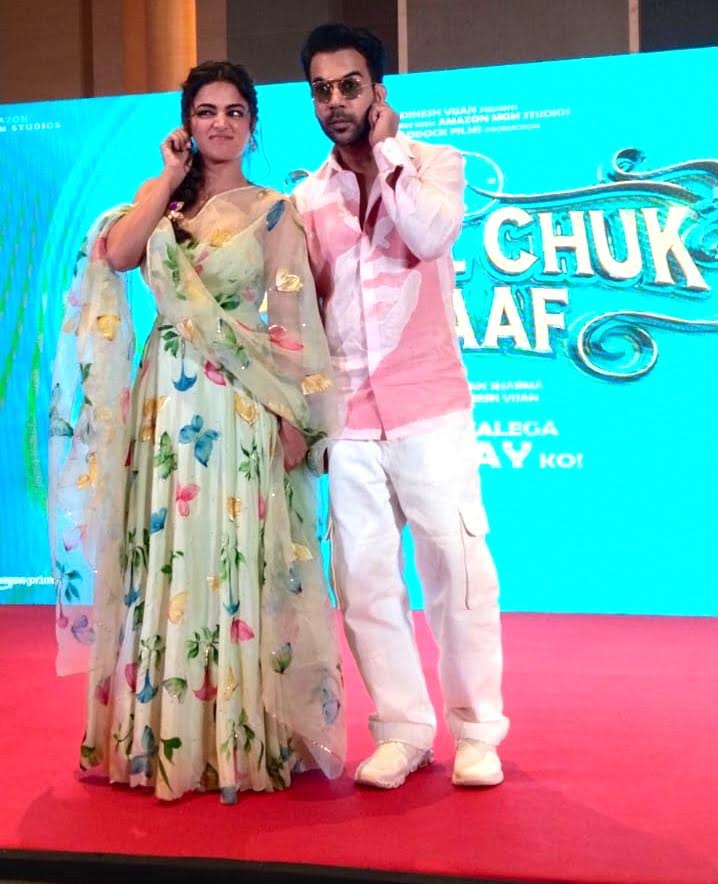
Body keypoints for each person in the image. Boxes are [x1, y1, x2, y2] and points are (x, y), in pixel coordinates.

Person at [48, 60, 345, 803]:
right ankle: (164, 734)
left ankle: (237, 742)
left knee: (229, 552)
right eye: (206, 111)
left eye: (234, 112)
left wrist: (293, 416)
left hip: (239, 406)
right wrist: (167, 177)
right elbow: (117, 255)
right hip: (166, 411)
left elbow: (291, 321)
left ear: (252, 125)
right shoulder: (160, 209)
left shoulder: (274, 211)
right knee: (169, 556)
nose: (220, 124)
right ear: (186, 123)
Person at [293, 24, 508, 789]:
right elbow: (309, 313)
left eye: (349, 86)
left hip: (429, 407)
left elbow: (430, 233)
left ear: (378, 92)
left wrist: (387, 155)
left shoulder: (433, 164)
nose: (335, 101)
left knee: (458, 570)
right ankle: (404, 728)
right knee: (365, 581)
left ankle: (476, 731)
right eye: (322, 89)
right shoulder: (307, 197)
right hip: (349, 418)